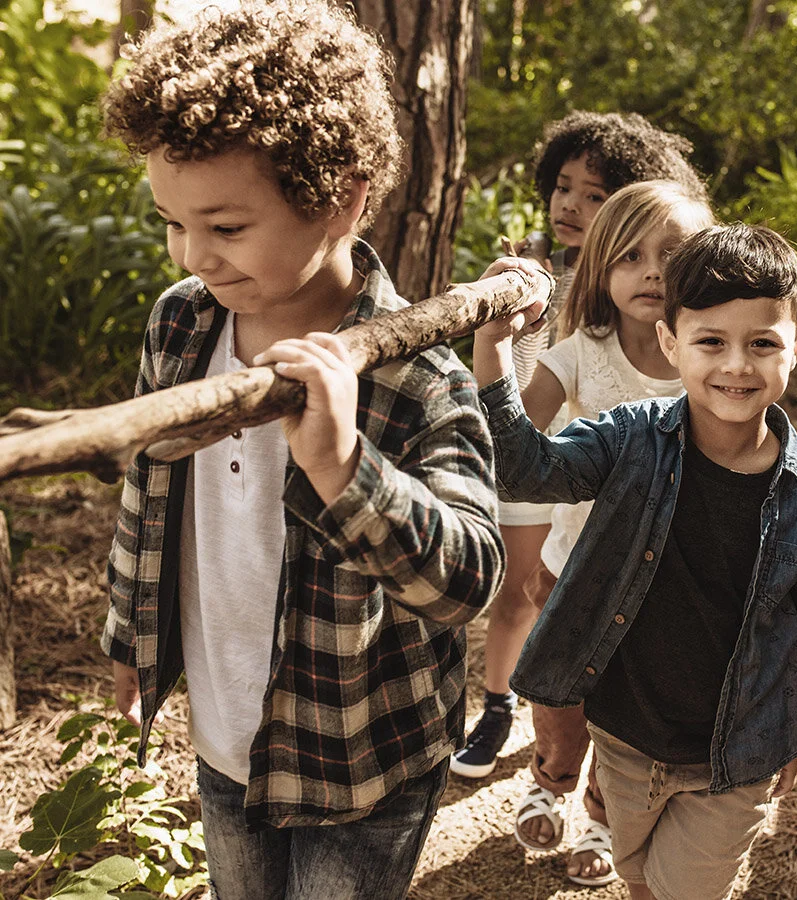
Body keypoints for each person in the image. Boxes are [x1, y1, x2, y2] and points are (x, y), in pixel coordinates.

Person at [100, 3, 505, 898]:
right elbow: (148, 485)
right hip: (226, 735)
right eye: (173, 222)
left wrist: (343, 466)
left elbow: (469, 580)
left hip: (363, 759)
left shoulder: (416, 377)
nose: (194, 255)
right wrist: (132, 633)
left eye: (226, 228)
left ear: (343, 198)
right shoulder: (180, 325)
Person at [473, 223, 797, 900]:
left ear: (796, 345)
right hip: (624, 735)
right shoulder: (630, 440)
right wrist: (495, 344)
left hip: (735, 752)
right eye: (711, 342)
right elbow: (524, 471)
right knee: (639, 876)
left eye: (762, 344)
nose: (737, 365)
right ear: (672, 342)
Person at [451, 111, 709, 782]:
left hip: (650, 552)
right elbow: (520, 430)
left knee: (625, 689)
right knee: (529, 608)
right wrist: (502, 325)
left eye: (594, 195)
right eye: (563, 187)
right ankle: (513, 724)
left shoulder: (702, 346)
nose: (571, 204)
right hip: (558, 492)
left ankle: (600, 798)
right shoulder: (536, 271)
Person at [507, 181, 715, 888]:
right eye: (630, 256)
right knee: (560, 699)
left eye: (672, 255)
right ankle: (551, 774)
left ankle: (601, 814)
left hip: (665, 584)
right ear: (600, 266)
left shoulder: (708, 356)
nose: (652, 272)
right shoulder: (580, 352)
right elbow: (519, 433)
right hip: (573, 570)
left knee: (626, 717)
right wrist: (508, 340)